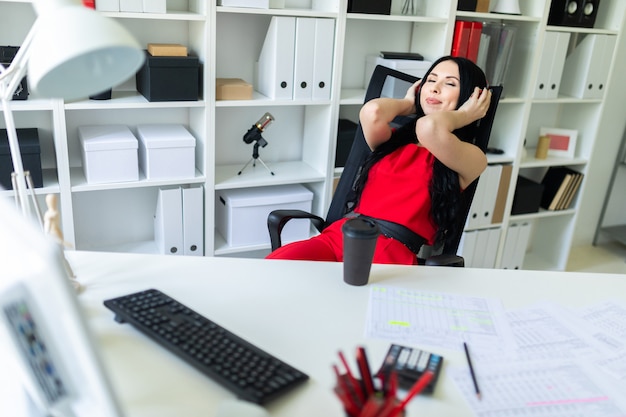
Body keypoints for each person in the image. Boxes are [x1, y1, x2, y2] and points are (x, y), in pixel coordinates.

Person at [266, 56, 492, 265]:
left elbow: (429, 127)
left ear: (473, 98)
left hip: (389, 251)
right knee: (274, 269)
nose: (434, 87)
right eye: (430, 80)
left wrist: (466, 116)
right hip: (339, 235)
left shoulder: (470, 157)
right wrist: (409, 104)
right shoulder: (393, 142)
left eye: (450, 84)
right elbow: (372, 111)